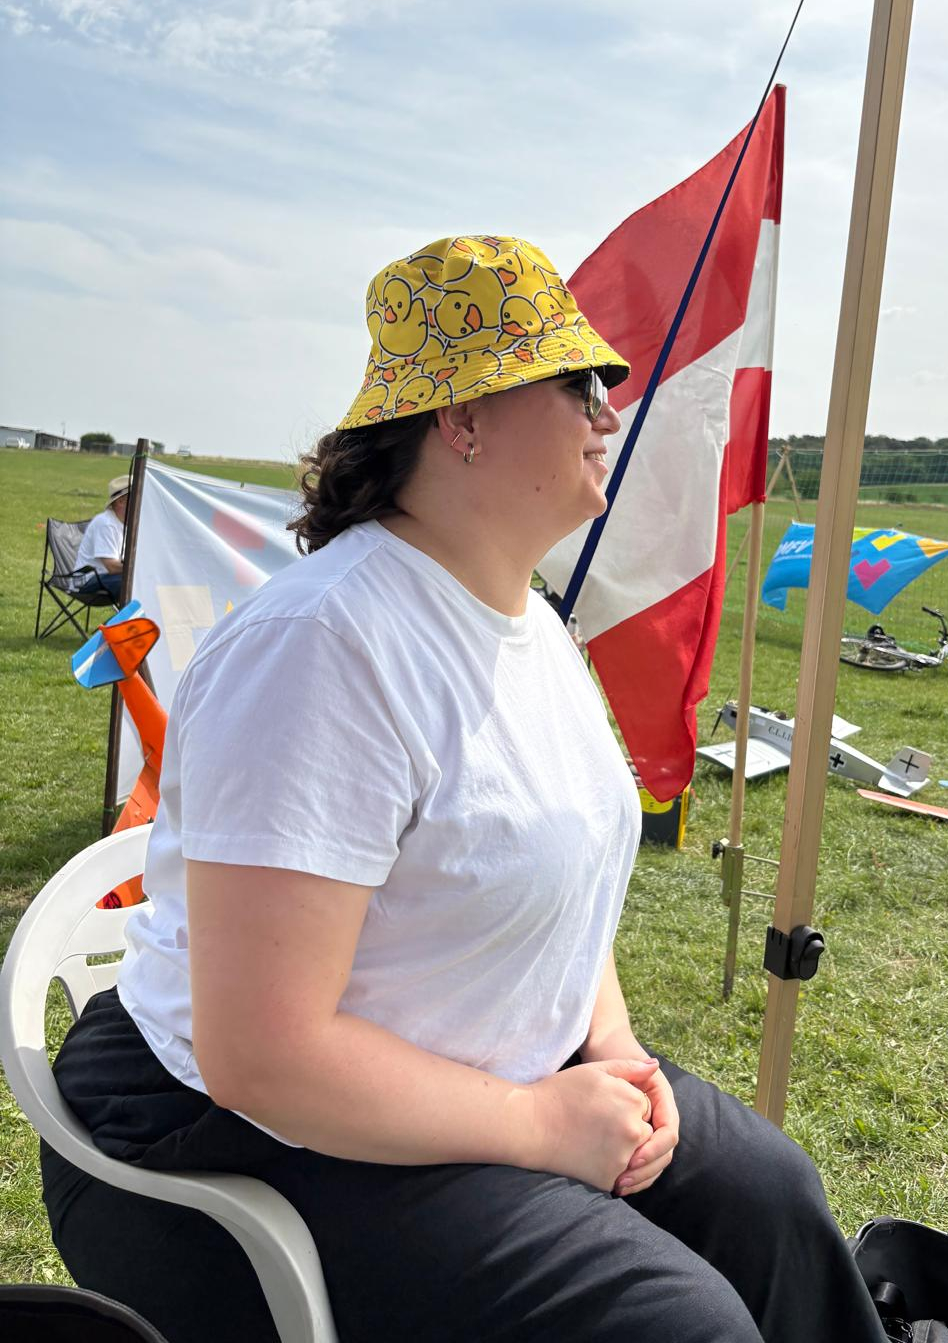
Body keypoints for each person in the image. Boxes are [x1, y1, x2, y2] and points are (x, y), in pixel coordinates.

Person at [41, 236, 886, 1343]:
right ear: (464, 419)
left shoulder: (532, 623)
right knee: (679, 1325)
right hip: (228, 1130)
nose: (609, 413)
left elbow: (561, 882)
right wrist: (536, 1123)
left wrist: (615, 1051)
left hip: (471, 1070)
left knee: (772, 1198)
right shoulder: (324, 646)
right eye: (580, 384)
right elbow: (263, 1052)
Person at [73, 475, 130, 599]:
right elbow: (112, 567)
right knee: (133, 581)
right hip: (88, 580)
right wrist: (139, 568)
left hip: (108, 577)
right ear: (121, 502)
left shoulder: (127, 524)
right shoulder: (106, 523)